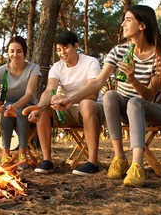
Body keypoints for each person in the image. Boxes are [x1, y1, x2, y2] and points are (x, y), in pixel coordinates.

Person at [53, 5, 161, 186]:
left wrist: (132, 79)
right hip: (129, 112)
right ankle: (120, 158)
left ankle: (137, 166)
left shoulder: (160, 55)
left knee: (135, 101)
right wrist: (70, 99)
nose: (122, 24)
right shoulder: (118, 52)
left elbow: (149, 96)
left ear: (142, 25)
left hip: (157, 110)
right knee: (109, 94)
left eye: (128, 20)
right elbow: (96, 83)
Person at [28, 31, 105, 175]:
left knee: (86, 103)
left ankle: (92, 162)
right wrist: (40, 107)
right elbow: (49, 90)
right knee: (44, 109)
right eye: (58, 49)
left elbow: (93, 94)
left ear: (76, 46)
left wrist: (69, 99)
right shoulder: (57, 67)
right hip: (68, 109)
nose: (62, 52)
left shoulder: (91, 62)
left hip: (92, 109)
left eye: (65, 47)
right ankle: (47, 161)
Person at [0, 36, 41, 168]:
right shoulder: (1, 71)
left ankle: (22, 153)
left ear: (24, 52)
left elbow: (29, 94)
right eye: (12, 51)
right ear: (8, 52)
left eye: (19, 51)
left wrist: (15, 106)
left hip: (29, 106)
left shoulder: (33, 68)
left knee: (20, 111)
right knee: (6, 111)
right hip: (9, 106)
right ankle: (6, 153)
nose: (15, 55)